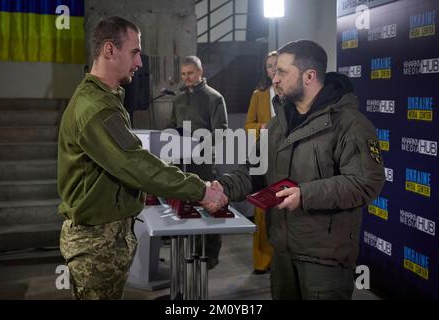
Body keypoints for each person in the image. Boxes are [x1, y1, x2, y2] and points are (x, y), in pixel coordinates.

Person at [57, 16, 226, 300]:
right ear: (110, 50)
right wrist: (201, 190)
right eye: (135, 52)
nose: (140, 63)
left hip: (105, 235)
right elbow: (136, 164)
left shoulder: (104, 99)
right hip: (98, 241)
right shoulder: (97, 108)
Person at [211, 40, 385, 299]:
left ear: (309, 76)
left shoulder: (350, 124)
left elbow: (366, 182)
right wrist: (223, 188)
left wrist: (304, 194)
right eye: (274, 71)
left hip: (324, 259)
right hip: (282, 251)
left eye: (282, 72)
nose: (275, 79)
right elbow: (254, 171)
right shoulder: (277, 125)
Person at [167, 56, 228, 270]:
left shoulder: (214, 98)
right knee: (187, 208)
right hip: (182, 164)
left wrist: (201, 147)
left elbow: (221, 131)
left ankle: (210, 256)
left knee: (210, 208)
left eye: (190, 73)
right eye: (183, 74)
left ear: (200, 72)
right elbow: (172, 127)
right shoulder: (178, 99)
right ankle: (190, 252)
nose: (187, 78)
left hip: (205, 163)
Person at [244, 51, 278, 275]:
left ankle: (283, 261)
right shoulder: (259, 94)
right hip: (263, 154)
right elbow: (248, 125)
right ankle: (262, 260)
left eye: (277, 65)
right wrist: (263, 128)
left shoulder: (294, 92)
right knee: (262, 209)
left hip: (289, 157)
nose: (273, 69)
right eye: (269, 66)